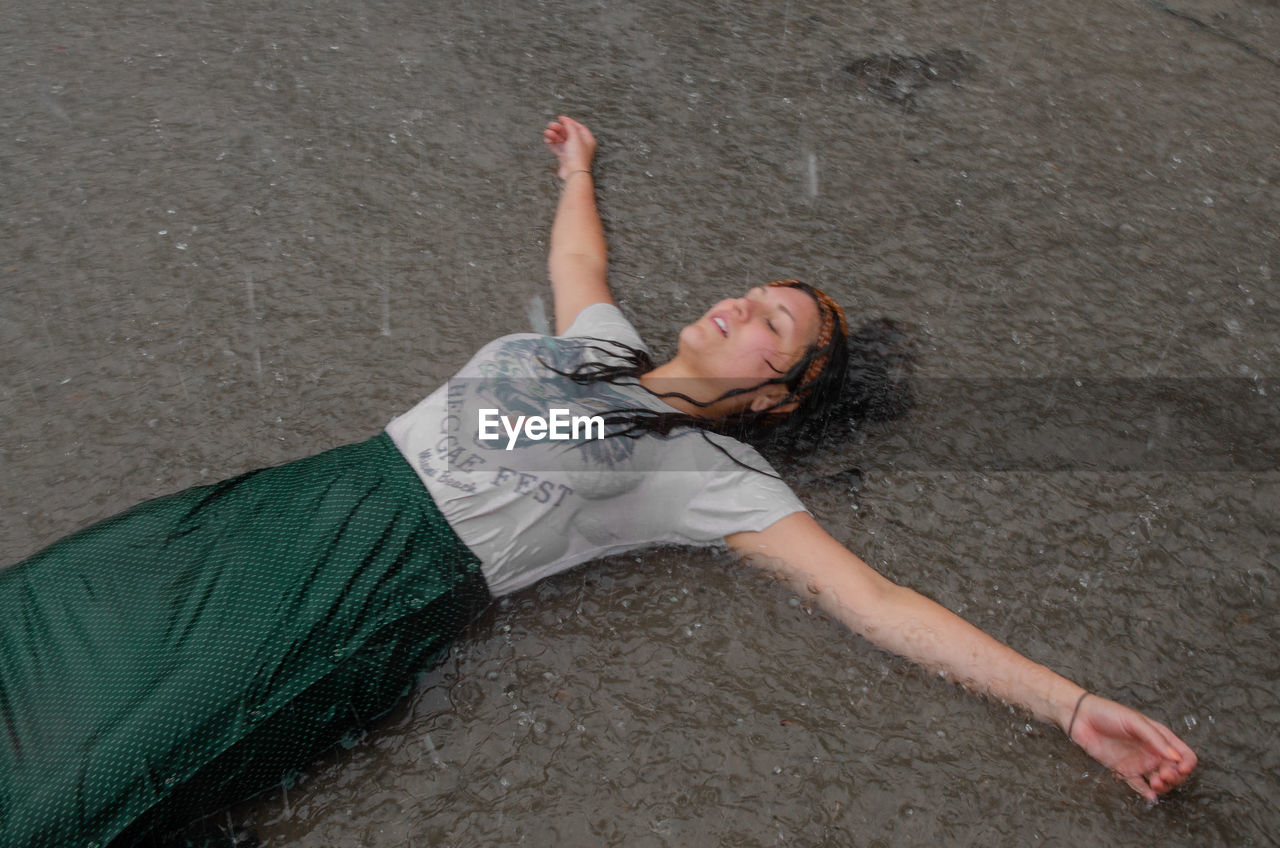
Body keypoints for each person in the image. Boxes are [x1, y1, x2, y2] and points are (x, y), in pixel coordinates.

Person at [0, 117, 1195, 848]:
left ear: (776, 394)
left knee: (108, 762)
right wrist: (578, 165)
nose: (740, 303)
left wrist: (1069, 704)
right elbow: (580, 259)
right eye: (753, 289)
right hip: (293, 503)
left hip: (366, 587)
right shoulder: (600, 343)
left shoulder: (707, 474)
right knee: (47, 615)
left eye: (770, 322)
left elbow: (875, 602)